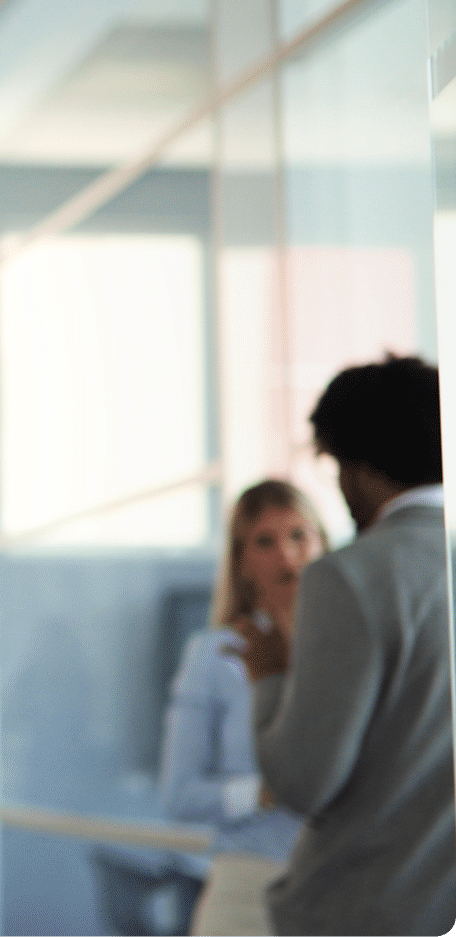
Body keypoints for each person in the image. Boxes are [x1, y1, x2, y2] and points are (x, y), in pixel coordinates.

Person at [238, 354, 455, 937]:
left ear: (354, 466)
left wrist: (272, 676)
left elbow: (303, 782)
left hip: (363, 912)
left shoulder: (349, 576)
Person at [159, 479, 320, 937]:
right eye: (265, 542)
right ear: (242, 562)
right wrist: (262, 793)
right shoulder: (214, 656)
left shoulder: (350, 652)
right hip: (249, 891)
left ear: (322, 544)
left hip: (340, 892)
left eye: (298, 535)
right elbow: (179, 795)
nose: (287, 556)